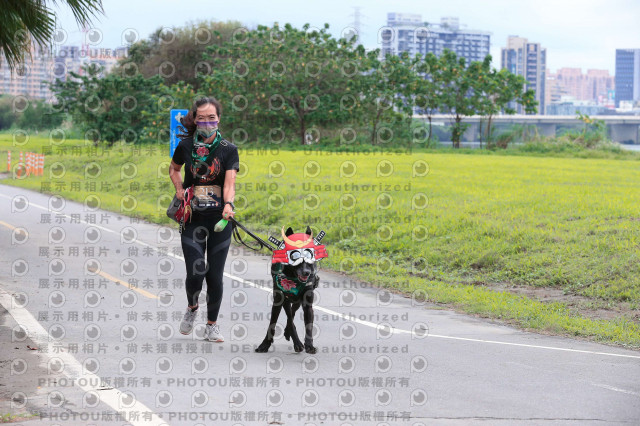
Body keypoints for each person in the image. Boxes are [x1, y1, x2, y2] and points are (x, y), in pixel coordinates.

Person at [169, 97, 239, 342]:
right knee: (196, 271)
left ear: (219, 119)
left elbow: (230, 183)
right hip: (193, 218)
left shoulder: (229, 149)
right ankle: (192, 308)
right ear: (195, 120)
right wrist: (179, 188)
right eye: (202, 118)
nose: (207, 122)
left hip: (221, 220)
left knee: (215, 275)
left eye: (212, 118)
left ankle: (212, 325)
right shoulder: (185, 146)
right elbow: (174, 169)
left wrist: (228, 204)